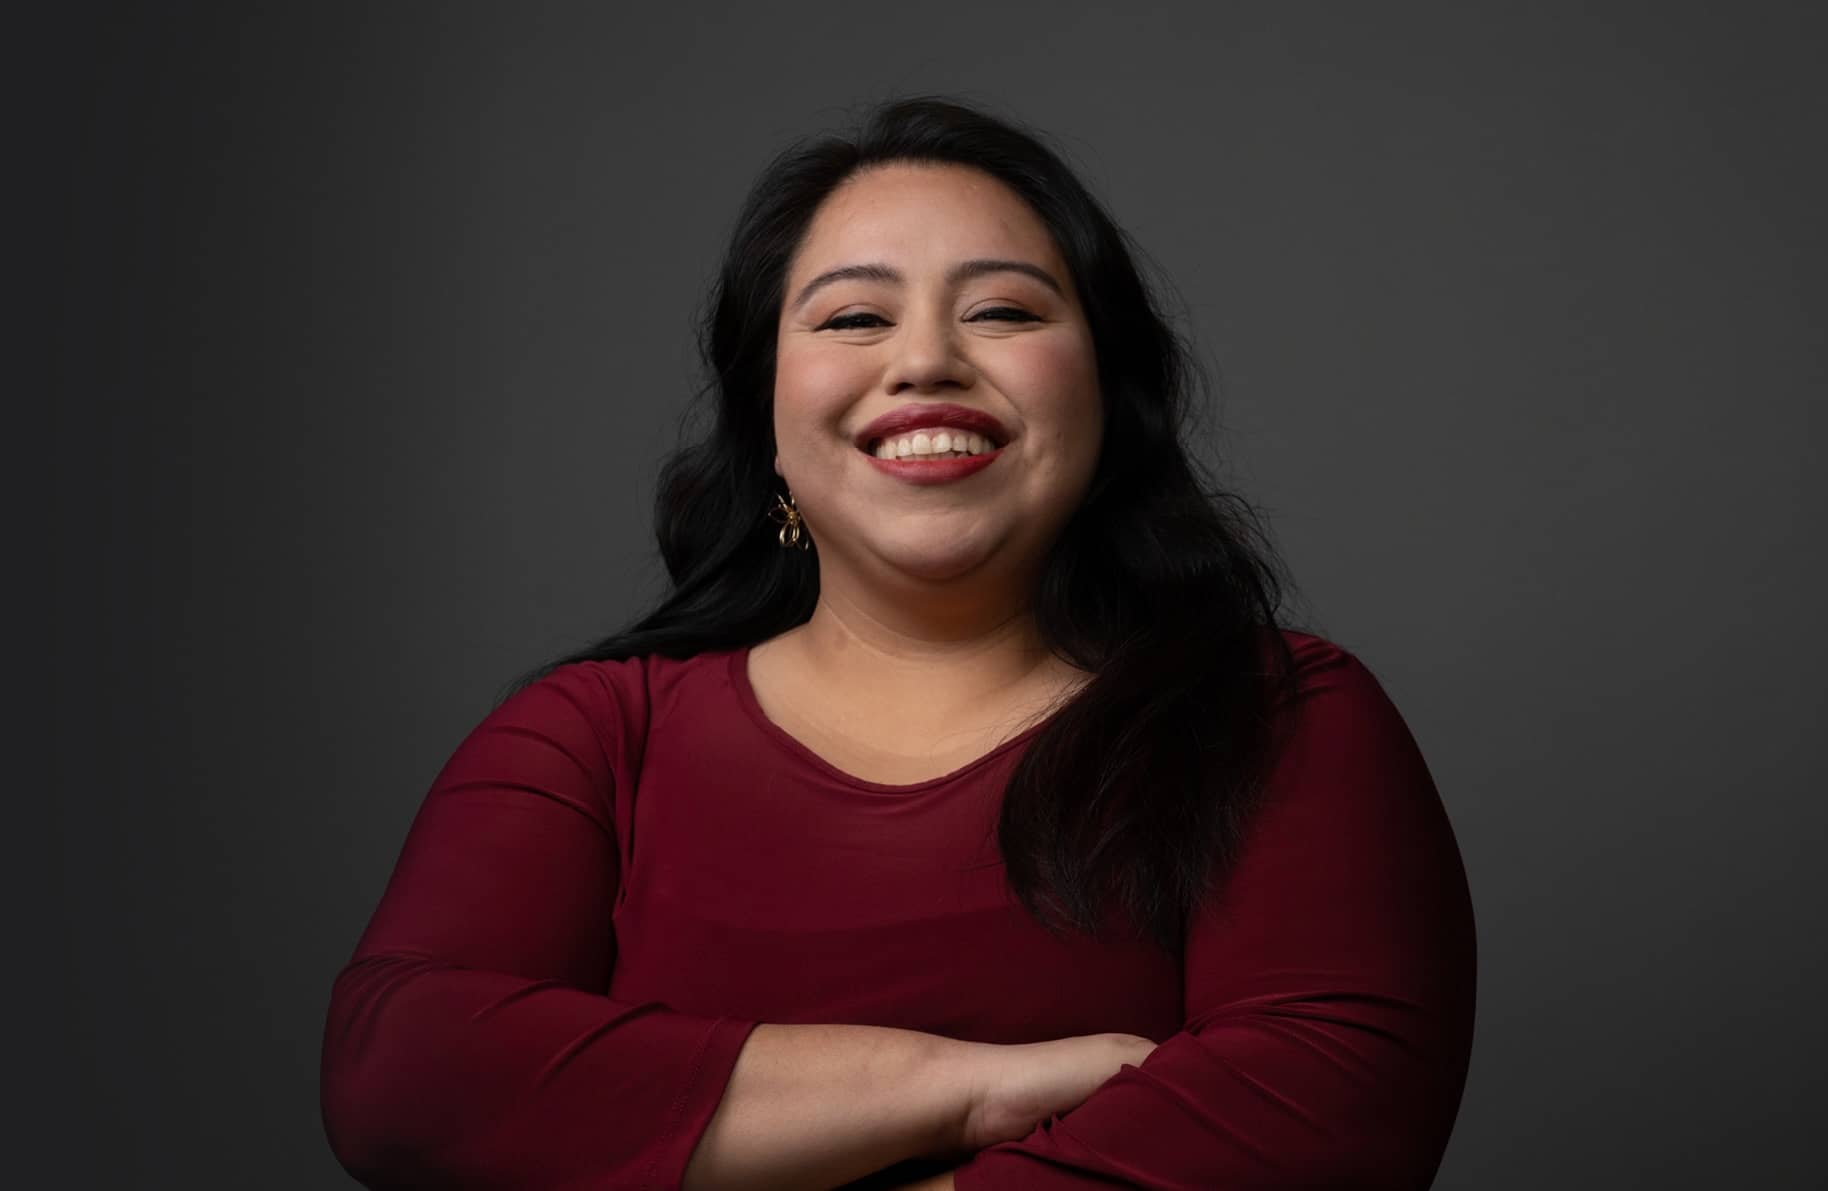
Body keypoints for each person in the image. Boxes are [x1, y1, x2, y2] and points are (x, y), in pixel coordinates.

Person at [318, 95, 1477, 1191]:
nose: (925, 361)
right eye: (853, 318)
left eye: (1005, 311)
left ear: (1106, 396)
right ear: (764, 421)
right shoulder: (595, 735)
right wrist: (962, 1089)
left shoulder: (1276, 717)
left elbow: (1326, 1117)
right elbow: (405, 1073)